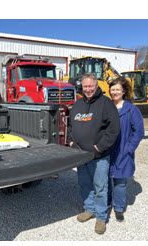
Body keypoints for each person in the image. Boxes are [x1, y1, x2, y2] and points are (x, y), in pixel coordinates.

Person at [68, 73, 120, 234]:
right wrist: (72, 142)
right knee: (85, 184)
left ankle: (101, 217)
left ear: (96, 86)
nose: (88, 89)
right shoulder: (77, 105)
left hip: (99, 156)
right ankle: (89, 209)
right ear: (82, 87)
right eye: (85, 86)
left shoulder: (106, 104)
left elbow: (114, 129)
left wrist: (99, 147)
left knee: (100, 187)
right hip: (81, 155)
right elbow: (70, 126)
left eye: (91, 86)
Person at [107, 77, 144, 222]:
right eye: (112, 89)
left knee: (120, 182)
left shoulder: (131, 109)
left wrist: (129, 147)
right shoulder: (107, 106)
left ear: (123, 91)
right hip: (107, 150)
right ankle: (107, 203)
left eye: (117, 89)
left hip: (123, 150)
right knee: (104, 180)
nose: (114, 92)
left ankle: (118, 208)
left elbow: (139, 131)